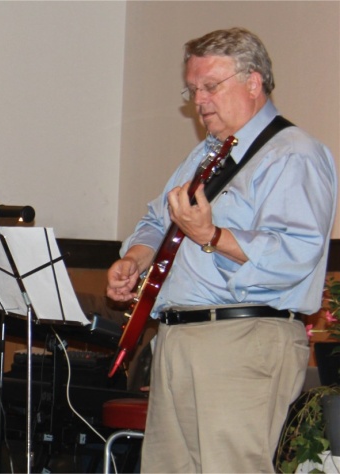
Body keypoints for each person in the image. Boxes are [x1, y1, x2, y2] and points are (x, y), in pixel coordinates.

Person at [106, 27, 337, 472]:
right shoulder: (205, 155)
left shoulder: (295, 154)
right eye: (192, 89)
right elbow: (158, 221)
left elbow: (296, 253)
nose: (199, 101)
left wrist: (212, 236)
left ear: (254, 82)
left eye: (211, 86)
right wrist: (134, 260)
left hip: (244, 339)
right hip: (178, 338)